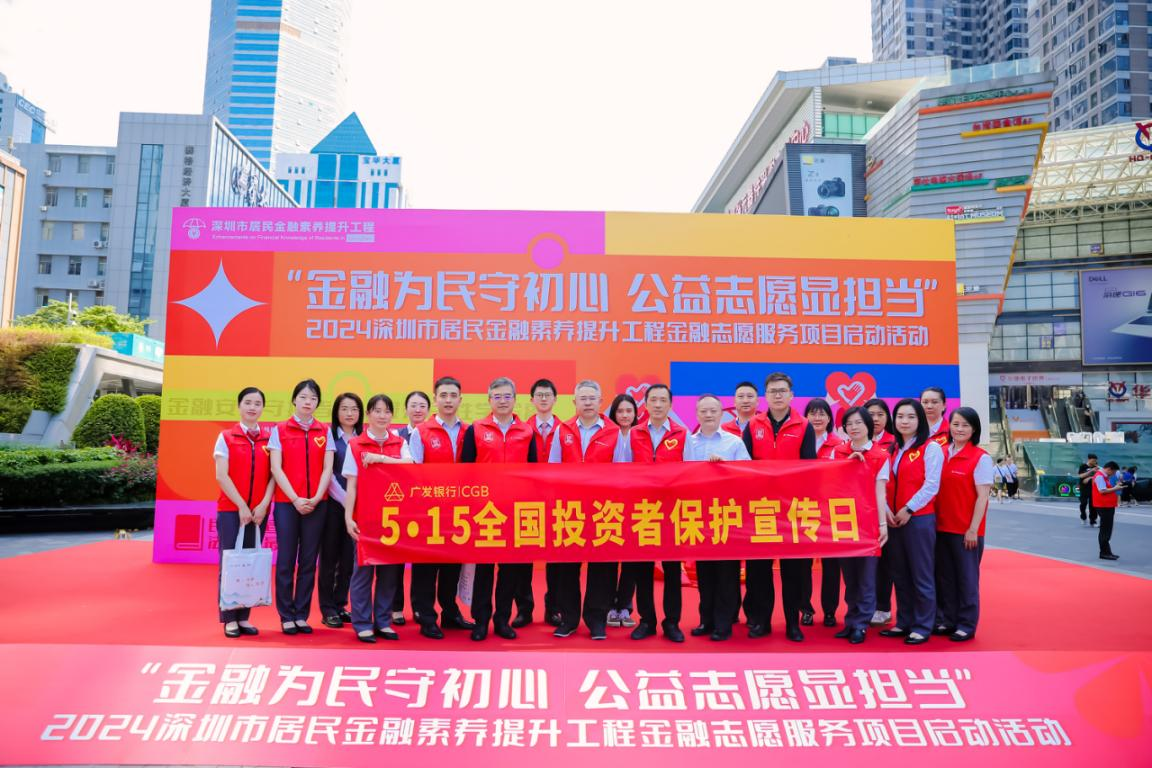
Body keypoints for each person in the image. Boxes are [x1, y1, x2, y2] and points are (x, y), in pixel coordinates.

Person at [548, 379, 631, 639]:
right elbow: (552, 469)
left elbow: (622, 472)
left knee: (602, 567)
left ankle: (596, 619)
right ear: (574, 402)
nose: (587, 403)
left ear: (600, 401)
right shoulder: (562, 430)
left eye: (591, 398)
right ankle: (569, 619)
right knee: (567, 567)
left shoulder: (614, 432)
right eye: (582, 398)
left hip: (602, 509)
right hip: (569, 509)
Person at [459, 377, 538, 641]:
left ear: (515, 400)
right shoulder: (476, 429)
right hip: (485, 511)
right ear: (489, 400)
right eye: (497, 396)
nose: (502, 401)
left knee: (509, 570)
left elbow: (534, 471)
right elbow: (466, 470)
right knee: (483, 569)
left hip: (515, 510)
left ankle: (502, 620)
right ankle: (480, 620)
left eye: (507, 396)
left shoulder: (527, 431)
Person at [744, 372, 818, 642]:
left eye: (782, 391)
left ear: (791, 395)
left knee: (793, 571)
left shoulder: (804, 426)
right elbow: (743, 465)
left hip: (791, 510)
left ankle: (792, 623)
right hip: (760, 509)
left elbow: (810, 468)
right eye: (773, 391)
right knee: (758, 571)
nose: (777, 395)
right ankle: (761, 621)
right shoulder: (753, 425)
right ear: (765, 396)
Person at [408, 376, 476, 639]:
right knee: (426, 567)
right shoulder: (421, 431)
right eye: (443, 395)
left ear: (460, 399)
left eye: (453, 395)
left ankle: (450, 613)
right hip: (429, 511)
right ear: (435, 399)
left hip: (459, 512)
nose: (448, 400)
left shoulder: (469, 431)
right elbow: (413, 473)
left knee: (452, 566)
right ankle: (426, 616)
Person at [343, 394, 412, 642]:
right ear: (368, 415)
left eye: (387, 411)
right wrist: (348, 517)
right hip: (365, 518)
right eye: (377, 411)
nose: (382, 416)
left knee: (390, 572)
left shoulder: (400, 442)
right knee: (363, 571)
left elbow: (410, 465)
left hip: (394, 519)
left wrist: (381, 459)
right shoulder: (355, 444)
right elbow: (351, 485)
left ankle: (383, 621)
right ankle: (362, 622)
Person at [269, 379, 335, 635]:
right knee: (286, 560)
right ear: (294, 400)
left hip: (317, 505)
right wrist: (296, 498)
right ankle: (286, 615)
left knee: (308, 561)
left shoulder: (324, 430)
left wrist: (316, 498)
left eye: (313, 398)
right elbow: (276, 468)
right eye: (304, 397)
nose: (308, 402)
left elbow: (328, 468)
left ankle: (301, 614)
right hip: (287, 504)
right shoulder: (280, 429)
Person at [627, 384, 689, 643]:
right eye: (653, 400)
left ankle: (672, 622)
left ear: (670, 405)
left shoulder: (682, 434)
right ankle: (647, 621)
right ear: (645, 404)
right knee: (642, 569)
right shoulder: (633, 433)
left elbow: (691, 470)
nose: (658, 405)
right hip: (642, 510)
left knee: (672, 569)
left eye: (663, 400)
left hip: (672, 511)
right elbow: (622, 469)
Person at [687, 394, 751, 641]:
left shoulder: (734, 442)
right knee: (704, 572)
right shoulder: (689, 443)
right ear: (697, 414)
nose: (708, 415)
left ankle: (724, 623)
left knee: (727, 573)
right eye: (703, 411)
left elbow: (748, 475)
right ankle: (707, 620)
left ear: (721, 413)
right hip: (699, 516)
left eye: (713, 410)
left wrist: (727, 467)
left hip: (727, 515)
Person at [879, 398, 943, 646]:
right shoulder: (892, 449)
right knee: (900, 574)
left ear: (920, 420)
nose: (904, 421)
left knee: (921, 574)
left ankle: (923, 625)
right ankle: (904, 621)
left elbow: (931, 485)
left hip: (918, 519)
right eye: (900, 416)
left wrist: (908, 508)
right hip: (894, 520)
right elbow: (883, 485)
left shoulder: (930, 448)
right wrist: (887, 510)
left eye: (911, 416)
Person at [213, 386, 275, 638]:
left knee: (250, 562)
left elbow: (274, 475)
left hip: (259, 512)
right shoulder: (226, 437)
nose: (252, 407)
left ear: (263, 408)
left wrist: (263, 505)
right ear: (239, 406)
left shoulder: (269, 439)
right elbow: (221, 475)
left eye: (257, 403)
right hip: (231, 510)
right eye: (248, 402)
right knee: (230, 562)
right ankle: (229, 618)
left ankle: (244, 617)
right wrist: (241, 506)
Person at [830, 406, 889, 644]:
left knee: (866, 575)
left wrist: (882, 524)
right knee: (850, 575)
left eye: (858, 423)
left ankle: (862, 623)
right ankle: (851, 619)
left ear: (868, 425)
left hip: (868, 522)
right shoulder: (838, 452)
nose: (853, 427)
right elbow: (831, 484)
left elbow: (880, 492)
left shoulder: (880, 455)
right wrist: (846, 465)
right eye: (849, 424)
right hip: (844, 521)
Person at [934, 406, 992, 642]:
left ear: (974, 429)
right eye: (955, 424)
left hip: (965, 531)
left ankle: (967, 624)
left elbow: (983, 497)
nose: (959, 429)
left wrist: (973, 529)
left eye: (965, 425)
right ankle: (948, 620)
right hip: (940, 528)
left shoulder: (980, 458)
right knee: (945, 578)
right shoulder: (940, 453)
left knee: (967, 580)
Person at [317, 393, 362, 629]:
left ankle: (340, 604)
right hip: (334, 506)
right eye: (344, 409)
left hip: (358, 509)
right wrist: (346, 501)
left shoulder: (363, 438)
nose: (349, 413)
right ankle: (327, 609)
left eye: (354, 409)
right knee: (329, 558)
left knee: (348, 559)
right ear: (336, 412)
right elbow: (329, 474)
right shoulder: (330, 437)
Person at [390, 390, 430, 627]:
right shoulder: (396, 436)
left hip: (426, 506)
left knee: (421, 560)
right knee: (396, 558)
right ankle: (395, 607)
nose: (417, 410)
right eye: (413, 405)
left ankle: (419, 607)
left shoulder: (432, 434)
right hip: (400, 505)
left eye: (422, 406)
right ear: (405, 409)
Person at [804, 397, 844, 628]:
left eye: (822, 414)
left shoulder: (840, 445)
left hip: (830, 513)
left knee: (831, 566)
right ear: (806, 417)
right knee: (803, 565)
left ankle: (830, 611)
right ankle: (805, 609)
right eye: (813, 413)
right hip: (803, 510)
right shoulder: (800, 441)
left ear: (830, 418)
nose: (817, 418)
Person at [528, 378, 560, 629]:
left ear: (555, 399)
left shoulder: (565, 429)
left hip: (557, 502)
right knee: (523, 557)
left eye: (547, 395)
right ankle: (524, 609)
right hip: (527, 501)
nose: (543, 398)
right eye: (539, 395)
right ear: (531, 400)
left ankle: (554, 608)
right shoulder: (523, 429)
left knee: (557, 559)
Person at [606, 393, 639, 629]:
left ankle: (625, 606)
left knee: (631, 559)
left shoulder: (642, 436)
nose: (625, 415)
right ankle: (609, 605)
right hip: (609, 505)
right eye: (620, 411)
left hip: (637, 506)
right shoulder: (606, 435)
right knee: (608, 558)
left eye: (629, 411)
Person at [864, 398, 897, 627]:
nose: (875, 419)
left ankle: (883, 607)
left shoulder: (895, 443)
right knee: (867, 564)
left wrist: (886, 509)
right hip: (864, 512)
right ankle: (866, 606)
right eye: (870, 415)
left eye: (880, 414)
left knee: (887, 562)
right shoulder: (856, 442)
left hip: (890, 513)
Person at [1093, 461, 1124, 561]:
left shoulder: (1103, 476)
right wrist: (1115, 488)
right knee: (1105, 530)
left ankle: (1106, 552)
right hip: (1104, 506)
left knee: (1106, 529)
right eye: (1113, 472)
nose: (1113, 474)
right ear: (1109, 469)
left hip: (1106, 505)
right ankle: (1104, 553)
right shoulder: (1100, 476)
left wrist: (1115, 487)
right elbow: (1102, 491)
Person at [1077, 454, 1100, 525]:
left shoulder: (1096, 467)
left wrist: (1090, 477)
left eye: (1095, 461)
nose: (1094, 462)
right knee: (1083, 503)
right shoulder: (1083, 466)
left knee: (1093, 505)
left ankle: (1093, 521)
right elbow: (1081, 476)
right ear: (1089, 459)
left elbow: (1098, 476)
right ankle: (1083, 517)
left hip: (1093, 487)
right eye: (1093, 461)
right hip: (1084, 488)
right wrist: (1091, 471)